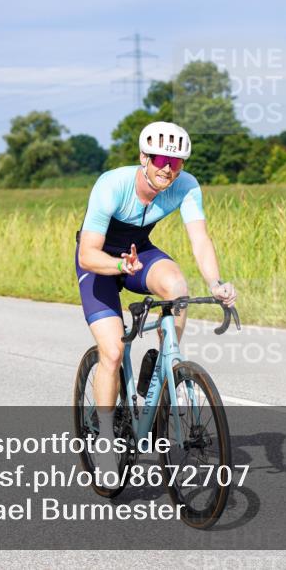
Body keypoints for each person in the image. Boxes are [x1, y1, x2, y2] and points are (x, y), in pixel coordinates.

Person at [75, 121, 237, 473]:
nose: (168, 169)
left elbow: (200, 239)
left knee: (177, 287)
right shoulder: (112, 185)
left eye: (176, 162)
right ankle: (106, 439)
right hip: (101, 261)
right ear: (144, 158)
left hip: (139, 253)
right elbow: (87, 254)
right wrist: (119, 264)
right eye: (162, 160)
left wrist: (215, 282)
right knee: (112, 351)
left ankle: (164, 366)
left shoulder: (186, 186)